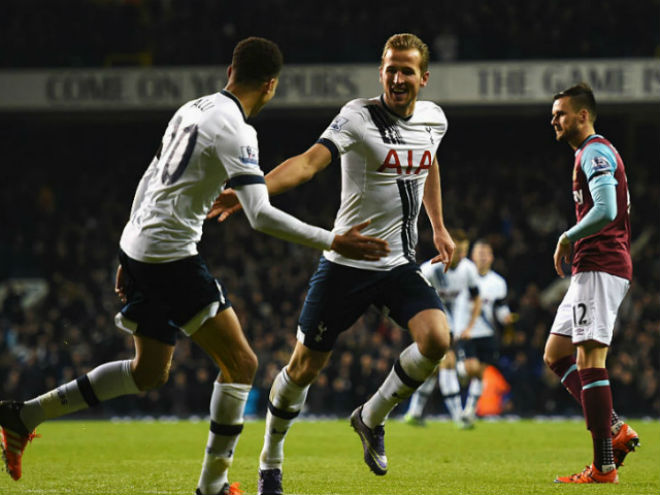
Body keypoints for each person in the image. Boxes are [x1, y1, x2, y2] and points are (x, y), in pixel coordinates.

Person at [0, 37, 389, 495]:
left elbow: (150, 177)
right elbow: (260, 214)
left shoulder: (192, 108)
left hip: (142, 246)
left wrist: (129, 248)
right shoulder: (239, 130)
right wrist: (333, 239)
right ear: (271, 86)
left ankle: (22, 414)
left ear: (230, 70)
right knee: (242, 364)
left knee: (149, 373)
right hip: (170, 257)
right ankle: (213, 487)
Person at [209, 32, 454, 495]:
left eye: (406, 70)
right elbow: (307, 163)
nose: (397, 77)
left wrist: (438, 225)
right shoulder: (358, 116)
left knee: (438, 338)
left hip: (398, 262)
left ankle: (370, 417)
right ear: (380, 71)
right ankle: (270, 462)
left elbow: (430, 164)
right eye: (390, 68)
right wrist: (252, 191)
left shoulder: (434, 120)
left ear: (424, 77)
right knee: (302, 369)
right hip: (346, 261)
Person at [545, 82, 639, 484]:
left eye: (561, 114)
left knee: (591, 361)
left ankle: (604, 466)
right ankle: (614, 426)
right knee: (556, 353)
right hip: (591, 268)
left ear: (583, 115)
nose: (554, 120)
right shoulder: (589, 153)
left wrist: (568, 235)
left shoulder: (596, 151)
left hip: (601, 265)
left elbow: (606, 208)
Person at [402, 229, 481, 428]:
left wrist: (470, 325)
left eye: (465, 251)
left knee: (433, 369)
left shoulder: (468, 269)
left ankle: (414, 412)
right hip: (430, 323)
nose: (462, 255)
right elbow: (412, 294)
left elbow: (476, 296)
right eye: (459, 251)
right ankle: (458, 417)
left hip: (453, 323)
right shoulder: (430, 269)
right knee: (447, 362)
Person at [457, 239, 515, 428]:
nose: (482, 257)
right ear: (472, 256)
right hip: (467, 333)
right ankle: (459, 370)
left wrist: (505, 317)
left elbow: (500, 306)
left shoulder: (498, 282)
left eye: (485, 253)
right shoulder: (463, 277)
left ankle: (469, 411)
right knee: (471, 369)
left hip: (488, 333)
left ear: (491, 257)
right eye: (478, 253)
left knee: (480, 374)